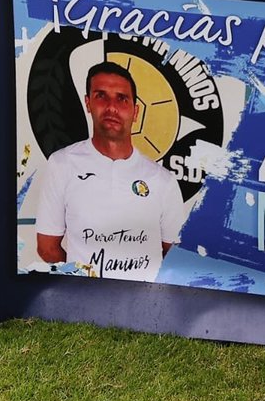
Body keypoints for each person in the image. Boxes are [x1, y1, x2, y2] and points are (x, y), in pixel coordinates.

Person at [35, 61, 184, 281]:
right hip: (85, 300)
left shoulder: (163, 180)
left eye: (122, 99)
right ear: (88, 103)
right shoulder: (62, 164)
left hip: (145, 299)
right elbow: (47, 247)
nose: (112, 107)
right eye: (101, 96)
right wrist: (83, 283)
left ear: (135, 111)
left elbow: (173, 256)